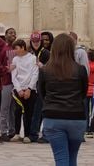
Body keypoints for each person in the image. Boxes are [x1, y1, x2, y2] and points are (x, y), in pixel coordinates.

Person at [37, 33, 88, 166]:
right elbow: (83, 93)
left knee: (61, 159)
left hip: (53, 117)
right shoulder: (80, 70)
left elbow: (42, 93)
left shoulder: (45, 70)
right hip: (76, 117)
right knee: (72, 158)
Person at [11, 38, 38, 143]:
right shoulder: (15, 60)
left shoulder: (32, 58)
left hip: (30, 89)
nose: (15, 51)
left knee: (28, 112)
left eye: (17, 48)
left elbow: (35, 74)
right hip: (18, 89)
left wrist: (29, 88)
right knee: (17, 111)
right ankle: (17, 133)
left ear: (23, 47)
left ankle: (27, 134)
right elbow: (14, 75)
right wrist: (18, 89)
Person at [28, 30, 50, 143]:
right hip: (31, 85)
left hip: (43, 85)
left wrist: (42, 66)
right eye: (33, 41)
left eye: (37, 41)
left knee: (42, 110)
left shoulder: (46, 53)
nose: (35, 43)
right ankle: (33, 133)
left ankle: (45, 134)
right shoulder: (29, 53)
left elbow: (50, 68)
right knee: (33, 110)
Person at [85, 48, 94, 136]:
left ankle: (86, 127)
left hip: (86, 90)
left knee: (86, 110)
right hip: (93, 90)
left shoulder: (85, 67)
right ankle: (92, 128)